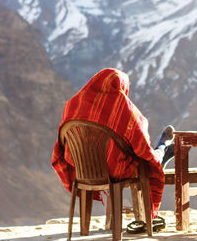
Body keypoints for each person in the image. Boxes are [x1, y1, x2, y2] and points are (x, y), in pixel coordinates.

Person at [51, 68, 174, 229]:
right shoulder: (122, 107)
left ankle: (162, 147)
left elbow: (61, 143)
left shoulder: (73, 104)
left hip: (82, 169)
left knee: (143, 156)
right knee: (149, 158)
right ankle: (163, 147)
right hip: (116, 170)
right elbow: (141, 142)